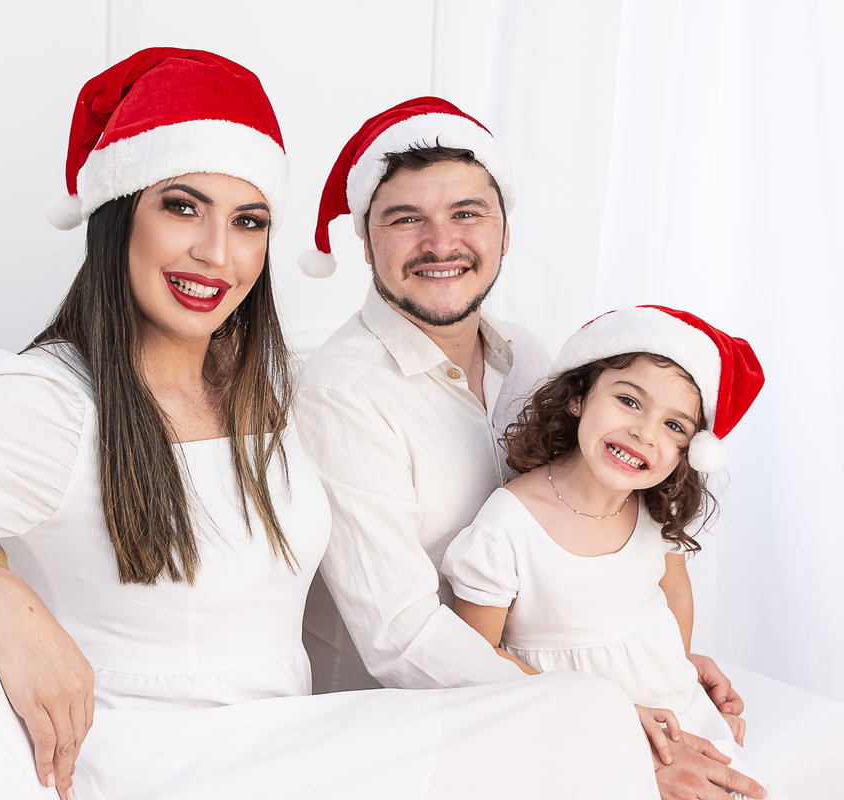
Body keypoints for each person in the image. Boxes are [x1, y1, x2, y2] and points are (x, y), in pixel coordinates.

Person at [0, 50, 659, 799]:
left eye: (249, 220)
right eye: (182, 206)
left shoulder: (260, 387)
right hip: (160, 767)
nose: (217, 253)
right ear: (117, 217)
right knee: (581, 727)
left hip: (292, 745)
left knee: (582, 718)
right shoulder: (46, 402)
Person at [297, 99, 766, 798]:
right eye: (404, 219)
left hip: (539, 686)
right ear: (364, 242)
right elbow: (403, 640)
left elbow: (577, 531)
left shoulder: (529, 355)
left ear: (505, 231)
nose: (440, 241)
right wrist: (609, 727)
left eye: (467, 212)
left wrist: (661, 665)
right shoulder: (343, 396)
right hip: (417, 721)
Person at [442, 305, 771, 792]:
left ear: (689, 452)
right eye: (629, 401)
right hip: (569, 725)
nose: (644, 432)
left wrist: (681, 672)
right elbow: (479, 658)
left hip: (672, 714)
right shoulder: (507, 529)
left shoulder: (656, 510)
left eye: (674, 426)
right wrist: (609, 720)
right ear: (578, 397)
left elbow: (674, 592)